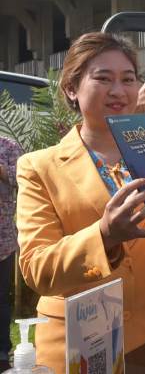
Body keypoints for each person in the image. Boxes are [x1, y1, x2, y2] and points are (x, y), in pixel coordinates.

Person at [15, 32, 145, 374]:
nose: (118, 91)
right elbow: (37, 269)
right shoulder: (38, 167)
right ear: (71, 89)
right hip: (76, 349)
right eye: (103, 79)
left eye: (128, 79)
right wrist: (104, 235)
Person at [0, 136, 22, 372]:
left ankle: (2, 353)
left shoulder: (7, 146)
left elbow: (23, 179)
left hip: (2, 240)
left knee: (0, 301)